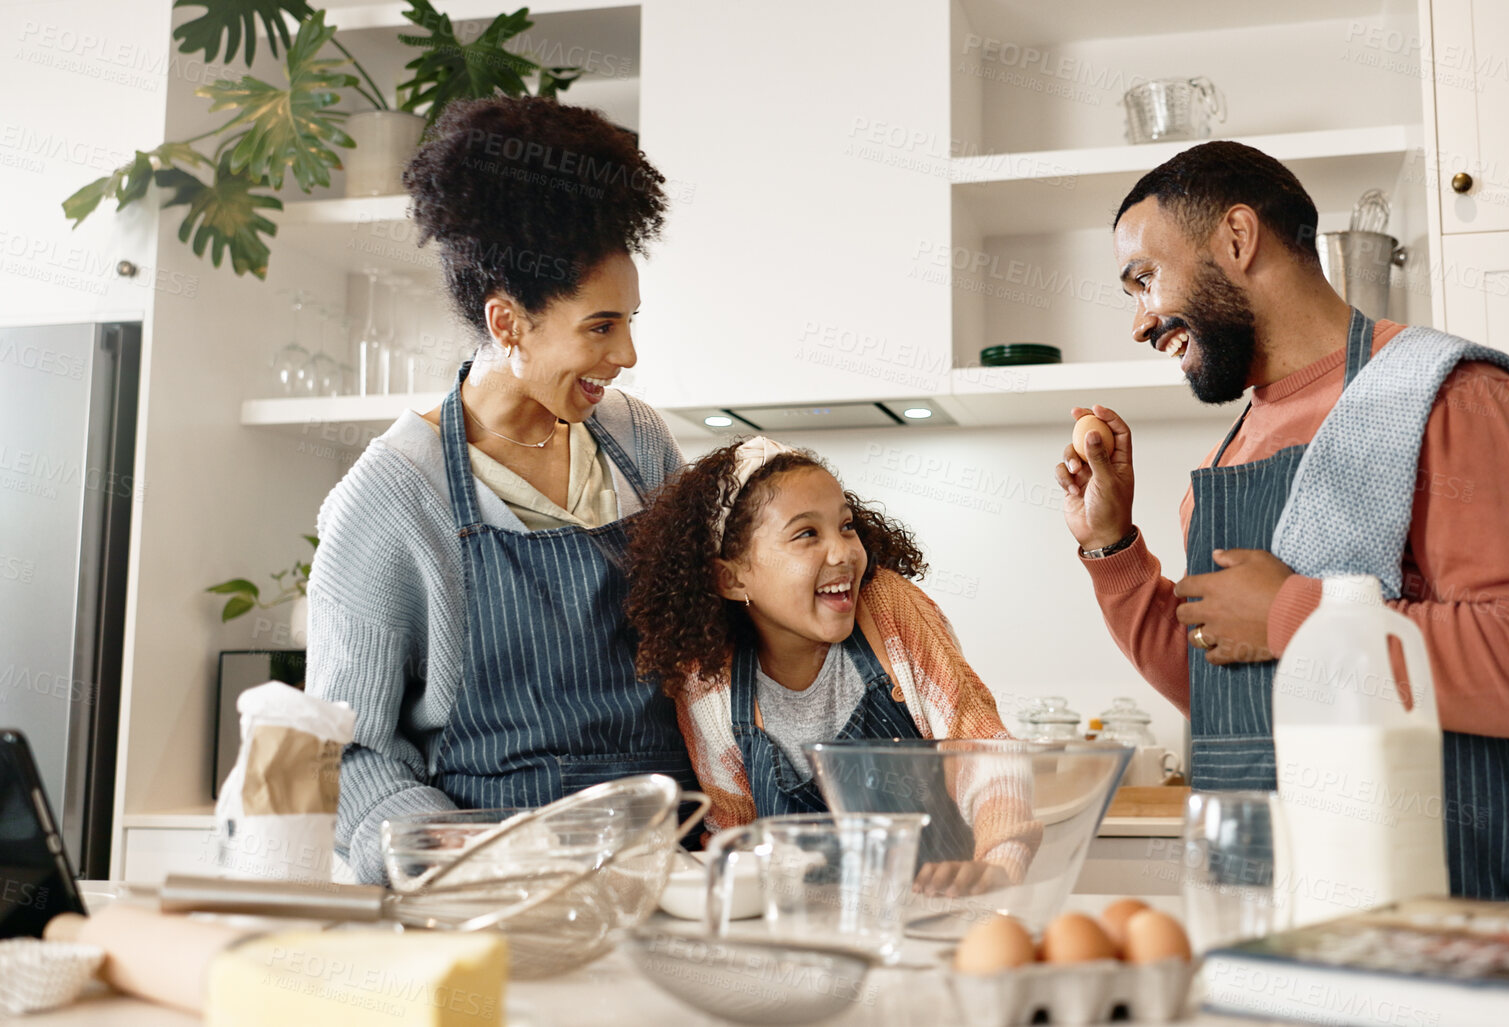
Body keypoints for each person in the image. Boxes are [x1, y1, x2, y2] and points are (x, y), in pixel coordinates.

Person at [1055, 141, 1509, 901]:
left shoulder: (1455, 396)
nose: (1141, 321)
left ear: (1237, 239)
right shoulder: (1233, 449)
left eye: (1144, 279)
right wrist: (1109, 544)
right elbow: (1225, 690)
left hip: (1449, 908)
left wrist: (1290, 614)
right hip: (1272, 900)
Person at [306, 96, 697, 884]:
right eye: (600, 326)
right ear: (508, 322)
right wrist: (462, 856)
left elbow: (706, 647)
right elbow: (346, 755)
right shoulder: (391, 498)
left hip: (668, 866)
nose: (626, 352)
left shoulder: (637, 441)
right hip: (498, 885)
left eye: (630, 321)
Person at [627, 437, 1038, 896]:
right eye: (807, 534)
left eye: (846, 526)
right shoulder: (708, 680)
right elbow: (734, 831)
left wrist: (1000, 861)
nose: (843, 552)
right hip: (802, 930)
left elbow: (980, 746)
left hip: (939, 914)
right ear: (732, 578)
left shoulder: (888, 610)